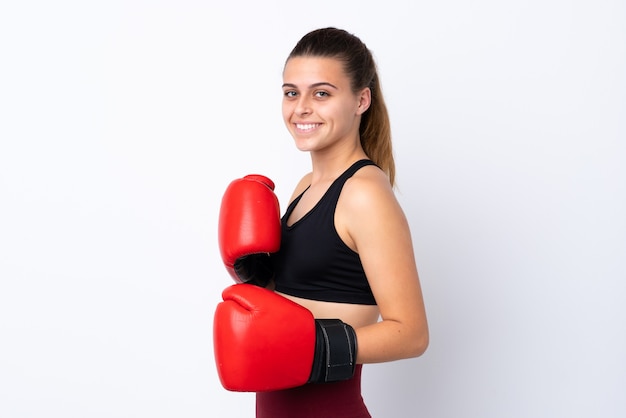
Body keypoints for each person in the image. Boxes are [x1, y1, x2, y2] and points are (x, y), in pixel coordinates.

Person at [214, 27, 429, 418]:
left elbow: (411, 334)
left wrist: (315, 346)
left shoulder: (364, 193)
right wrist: (259, 277)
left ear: (361, 100)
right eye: (291, 92)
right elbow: (297, 304)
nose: (301, 108)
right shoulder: (304, 187)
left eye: (322, 93)